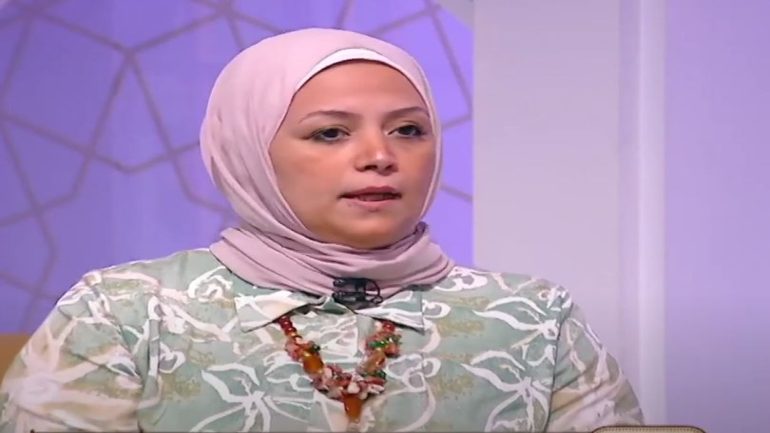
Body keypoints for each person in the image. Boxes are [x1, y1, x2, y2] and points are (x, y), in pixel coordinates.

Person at [0, 28, 643, 432]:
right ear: (249, 151)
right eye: (331, 132)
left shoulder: (533, 318)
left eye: (408, 129)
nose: (380, 156)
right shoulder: (126, 312)